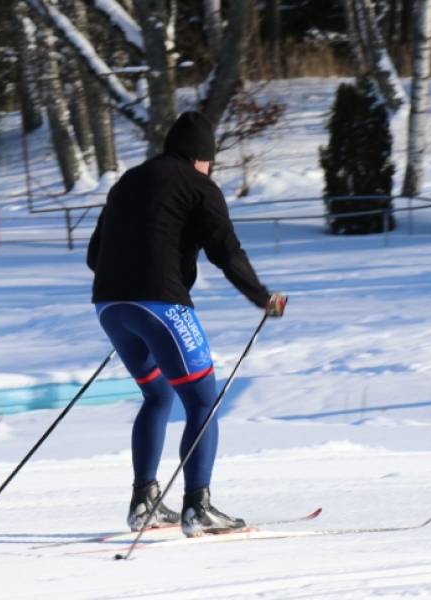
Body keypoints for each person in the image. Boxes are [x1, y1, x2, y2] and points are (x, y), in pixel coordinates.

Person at [87, 111, 286, 537]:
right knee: (202, 401)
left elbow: (94, 255)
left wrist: (128, 291)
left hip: (109, 306)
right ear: (202, 157)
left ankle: (144, 501)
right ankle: (198, 505)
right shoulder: (200, 186)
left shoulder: (128, 182)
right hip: (160, 307)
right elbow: (226, 252)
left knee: (157, 395)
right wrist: (262, 298)